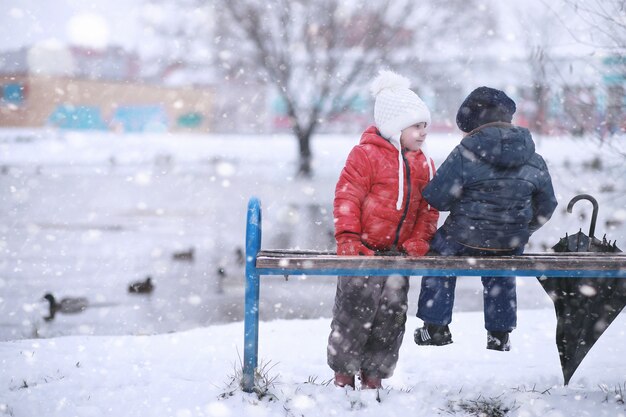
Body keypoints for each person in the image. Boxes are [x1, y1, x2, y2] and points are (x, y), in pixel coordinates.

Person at [414, 86, 558, 351]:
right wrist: (521, 229)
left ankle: (435, 328)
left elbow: (437, 198)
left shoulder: (465, 152)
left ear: (473, 124)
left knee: (440, 256)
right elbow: (548, 204)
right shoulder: (533, 157)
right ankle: (499, 334)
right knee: (502, 264)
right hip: (509, 240)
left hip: (463, 236)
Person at [327, 70, 439, 389]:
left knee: (391, 316)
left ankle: (375, 375)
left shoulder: (424, 164)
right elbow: (347, 196)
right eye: (416, 126)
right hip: (362, 250)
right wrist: (347, 238)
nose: (423, 133)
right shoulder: (366, 155)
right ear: (395, 126)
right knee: (352, 315)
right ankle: (343, 375)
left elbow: (429, 210)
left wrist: (420, 238)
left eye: (425, 126)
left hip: (398, 254)